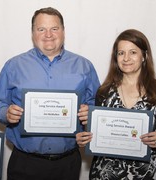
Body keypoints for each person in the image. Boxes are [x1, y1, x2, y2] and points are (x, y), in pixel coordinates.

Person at [0, 7, 100, 180]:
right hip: (24, 163)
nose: (48, 34)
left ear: (63, 31)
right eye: (41, 29)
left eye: (54, 28)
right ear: (33, 33)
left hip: (68, 163)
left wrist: (91, 113)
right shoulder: (13, 66)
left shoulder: (84, 66)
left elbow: (97, 104)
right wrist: (6, 113)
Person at [76, 29, 156, 179]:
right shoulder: (104, 92)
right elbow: (94, 135)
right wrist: (84, 139)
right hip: (103, 174)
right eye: (121, 53)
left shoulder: (155, 92)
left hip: (141, 175)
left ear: (144, 56)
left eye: (133, 52)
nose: (126, 58)